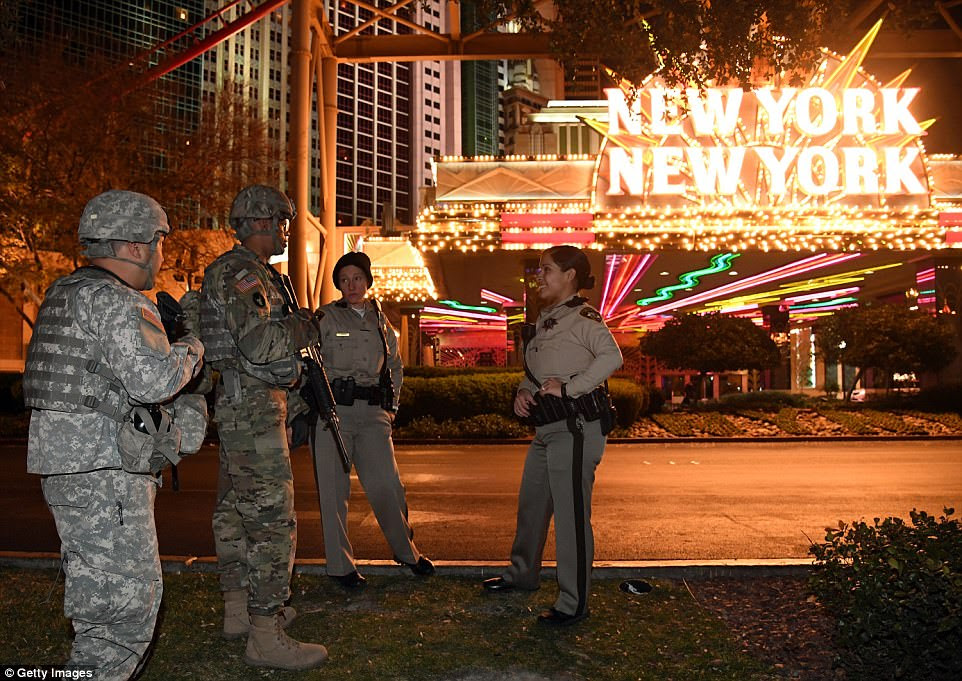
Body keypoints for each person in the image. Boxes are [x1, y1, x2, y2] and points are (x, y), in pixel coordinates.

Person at [23, 190, 206, 680]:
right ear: (133, 247)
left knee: (96, 601)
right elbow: (152, 381)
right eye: (159, 242)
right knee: (123, 612)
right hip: (105, 474)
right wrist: (190, 347)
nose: (162, 254)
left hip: (69, 467)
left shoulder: (65, 291)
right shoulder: (117, 301)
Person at [199, 184, 328, 670]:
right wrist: (304, 325)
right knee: (273, 521)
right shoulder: (241, 274)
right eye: (281, 221)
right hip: (250, 411)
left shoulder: (252, 274)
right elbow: (260, 345)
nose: (285, 231)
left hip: (245, 407)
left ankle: (239, 613)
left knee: (233, 513)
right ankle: (265, 632)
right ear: (259, 222)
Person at [482, 245, 622, 626]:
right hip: (547, 428)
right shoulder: (548, 319)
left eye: (546, 270)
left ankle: (573, 601)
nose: (539, 276)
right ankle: (522, 574)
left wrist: (571, 387)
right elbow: (538, 372)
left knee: (571, 517)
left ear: (570, 275)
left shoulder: (584, 317)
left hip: (576, 428)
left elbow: (612, 358)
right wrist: (524, 391)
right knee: (531, 507)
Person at [311, 251, 434, 588]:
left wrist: (391, 408)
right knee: (334, 495)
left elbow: (395, 366)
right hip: (334, 414)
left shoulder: (381, 321)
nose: (351, 285)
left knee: (387, 487)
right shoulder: (325, 318)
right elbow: (308, 365)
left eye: (357, 278)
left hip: (373, 414)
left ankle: (407, 552)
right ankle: (341, 568)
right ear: (338, 284)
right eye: (344, 279)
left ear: (367, 282)